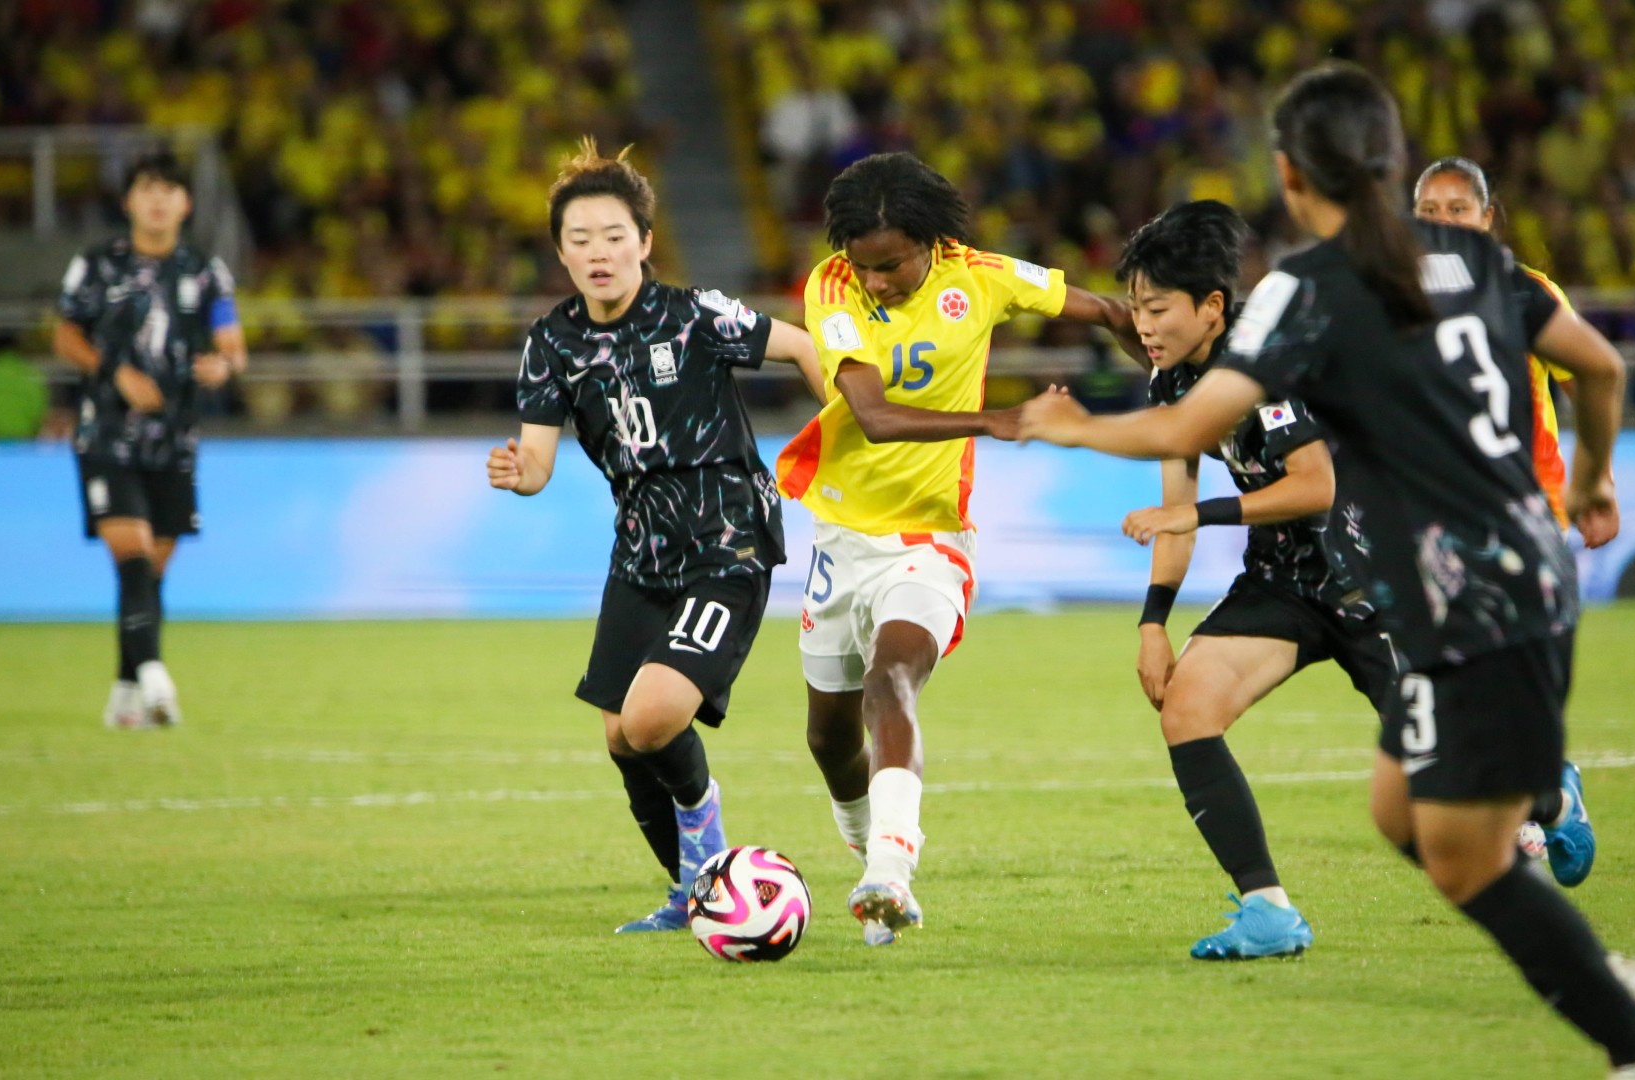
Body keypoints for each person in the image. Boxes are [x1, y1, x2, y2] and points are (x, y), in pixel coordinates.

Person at [1021, 64, 1635, 1078]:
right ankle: (1285, 905)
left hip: (1419, 584)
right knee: (1390, 808)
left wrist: (1082, 428)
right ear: (1389, 161)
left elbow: (1237, 450)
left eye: (1159, 306)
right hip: (1471, 569)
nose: (1149, 320)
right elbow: (1600, 366)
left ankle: (1632, 1031)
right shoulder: (1473, 263)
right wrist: (1595, 483)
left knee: (1461, 840)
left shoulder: (1307, 290)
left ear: (1292, 176)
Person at [779, 151, 1144, 945]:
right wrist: (999, 420)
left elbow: (1108, 312)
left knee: (893, 678)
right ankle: (863, 843)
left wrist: (1171, 366)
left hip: (930, 539)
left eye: (891, 265)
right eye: (864, 265)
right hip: (841, 538)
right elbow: (873, 416)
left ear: (933, 244)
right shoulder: (830, 288)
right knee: (829, 741)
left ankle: (889, 873)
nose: (875, 282)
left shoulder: (978, 277)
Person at [486, 140, 827, 934]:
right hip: (641, 551)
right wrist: (518, 472)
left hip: (727, 542)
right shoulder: (552, 343)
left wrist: (843, 430)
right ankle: (691, 895)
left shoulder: (695, 315)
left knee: (649, 720)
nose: (598, 252)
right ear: (561, 254)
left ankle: (709, 859)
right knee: (618, 733)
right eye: (580, 240)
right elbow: (537, 460)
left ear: (644, 240)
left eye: (613, 235)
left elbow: (804, 345)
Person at [1115, 200, 1397, 959]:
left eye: (1158, 308)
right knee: (1188, 708)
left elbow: (1317, 485)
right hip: (1287, 579)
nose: (1144, 325)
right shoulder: (1171, 382)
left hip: (1377, 573)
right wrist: (1152, 621)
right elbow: (1174, 512)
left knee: (1446, 755)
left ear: (1211, 308)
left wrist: (1201, 515)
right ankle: (1268, 910)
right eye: (1137, 308)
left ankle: (1547, 790)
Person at [1413, 157, 1601, 887]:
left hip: (1529, 511)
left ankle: (1532, 809)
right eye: (1428, 209)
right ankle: (1549, 791)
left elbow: (1589, 373)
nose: (1441, 222)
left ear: (1487, 219)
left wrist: (1599, 474)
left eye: (1457, 210)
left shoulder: (1525, 291)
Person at [54, 149, 246, 730]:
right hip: (106, 434)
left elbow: (233, 343)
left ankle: (123, 690)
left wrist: (225, 366)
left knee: (151, 569)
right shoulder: (97, 264)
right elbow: (66, 337)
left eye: (168, 189)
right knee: (133, 552)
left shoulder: (206, 270)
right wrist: (114, 374)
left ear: (185, 203)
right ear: (129, 201)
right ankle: (157, 677)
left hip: (175, 440)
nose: (158, 198)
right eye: (146, 188)